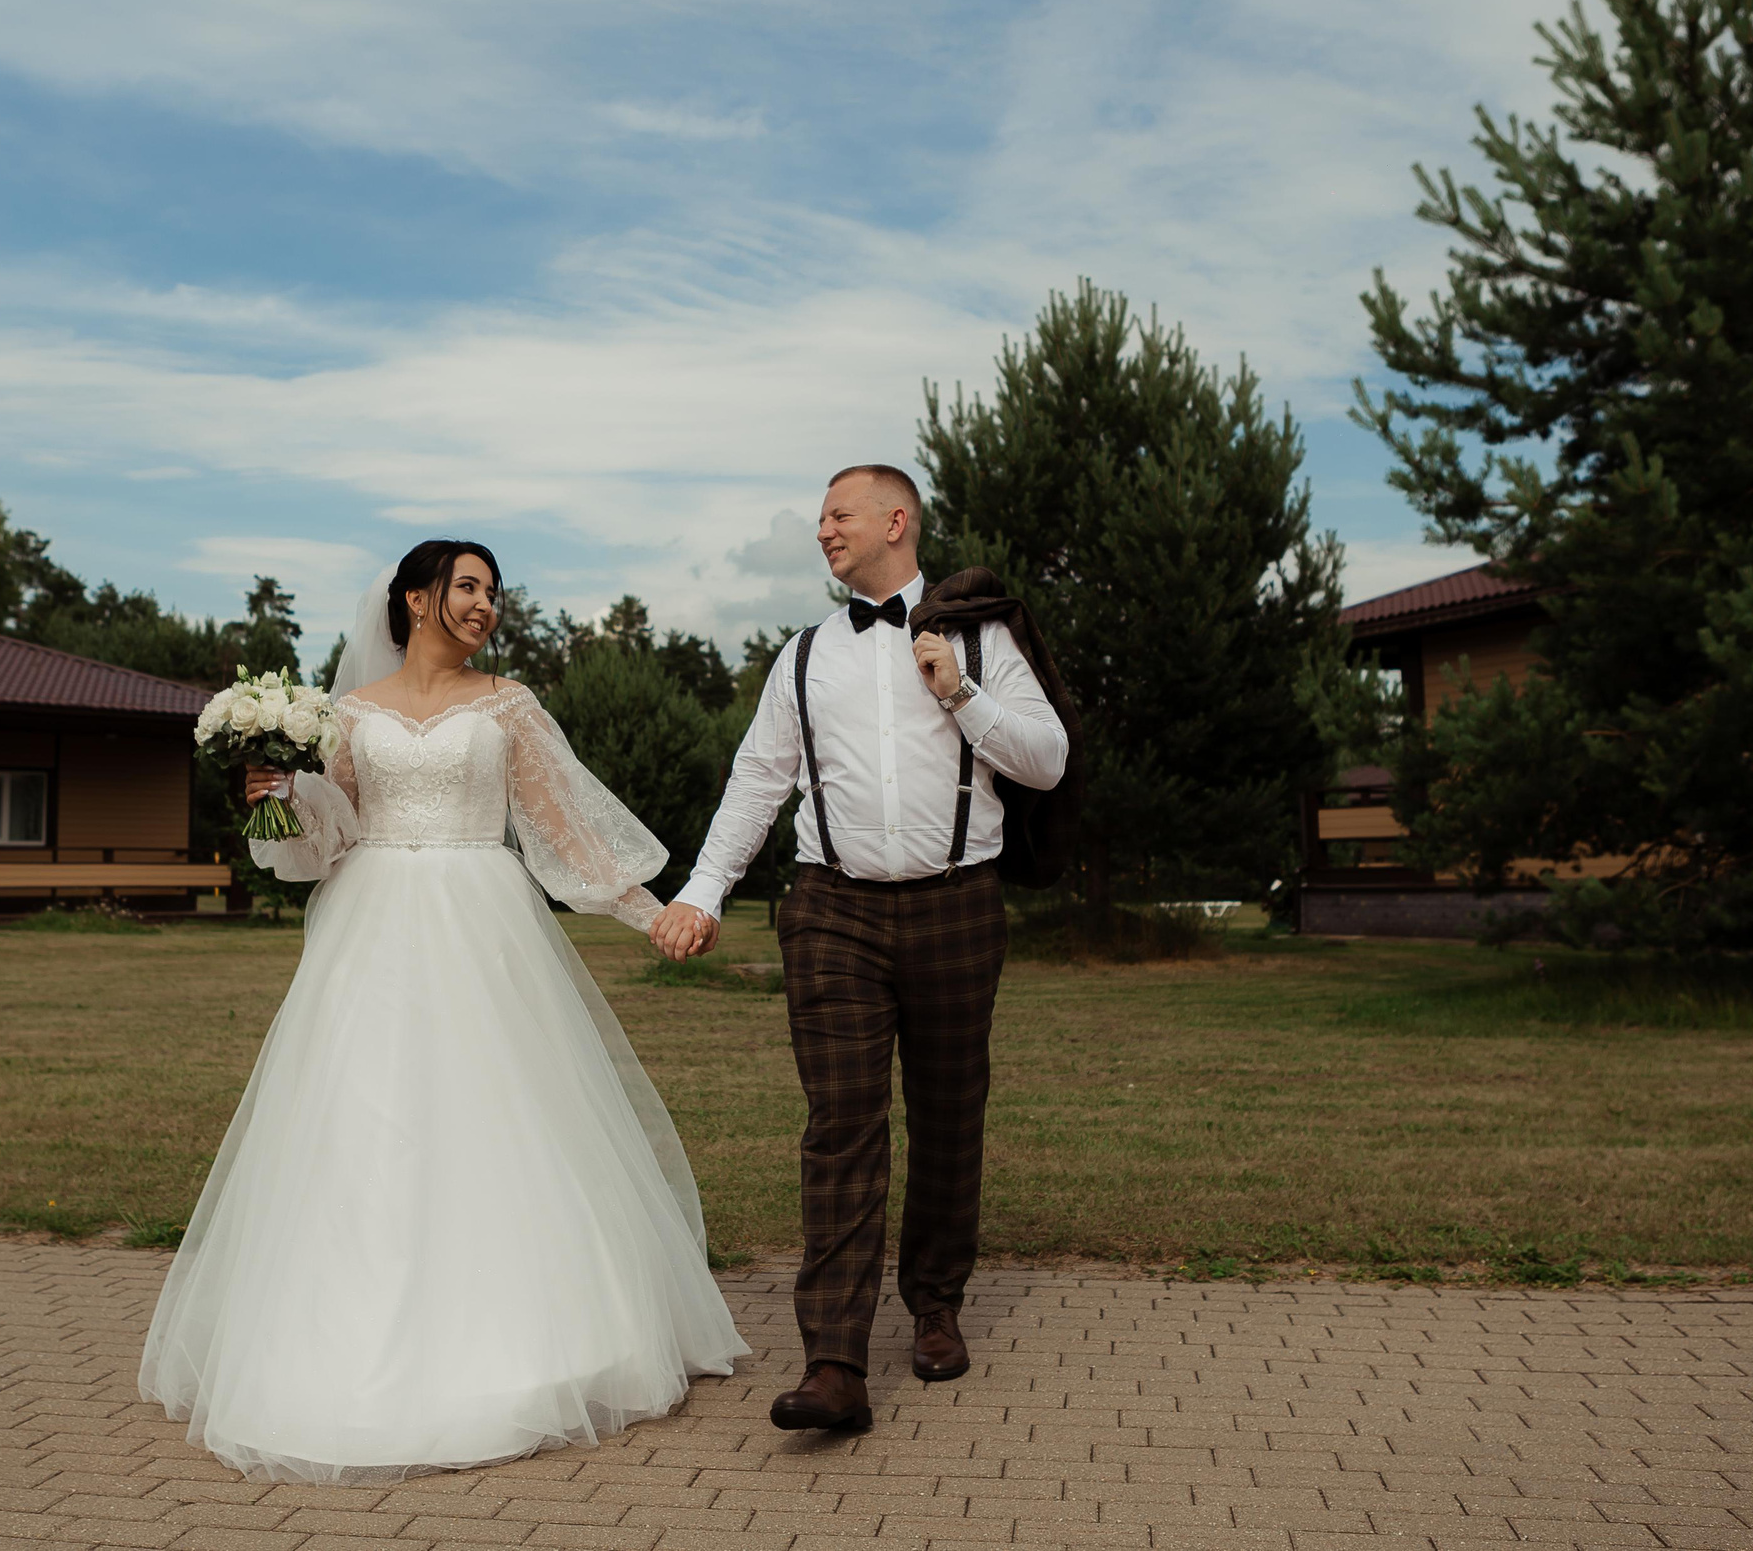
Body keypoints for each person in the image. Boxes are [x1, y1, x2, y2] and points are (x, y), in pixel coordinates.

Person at [138, 539, 747, 1483]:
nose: (485, 605)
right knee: (362, 1123)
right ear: (417, 599)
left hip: (484, 922)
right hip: (371, 927)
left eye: (493, 592)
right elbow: (326, 842)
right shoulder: (346, 714)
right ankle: (334, 1344)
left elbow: (564, 833)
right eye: (468, 587)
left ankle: (533, 1343)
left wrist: (655, 912)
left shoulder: (509, 705)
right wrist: (277, 799)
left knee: (501, 1116)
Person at [650, 465, 1069, 1434]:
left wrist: (962, 695)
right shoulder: (801, 656)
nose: (822, 531)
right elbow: (757, 781)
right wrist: (703, 891)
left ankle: (935, 1304)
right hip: (832, 911)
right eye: (820, 518)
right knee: (841, 1123)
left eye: (838, 514)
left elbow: (1048, 761)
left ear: (896, 520)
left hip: (957, 905)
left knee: (948, 1115)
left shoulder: (983, 641)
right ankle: (834, 1360)